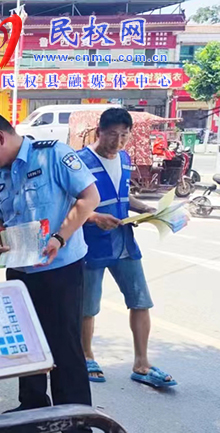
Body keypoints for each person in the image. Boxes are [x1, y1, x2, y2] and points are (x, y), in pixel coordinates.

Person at [0, 111, 100, 431]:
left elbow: (89, 197)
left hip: (60, 267)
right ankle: (33, 406)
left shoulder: (53, 153)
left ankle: (75, 417)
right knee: (25, 341)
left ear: (0, 137)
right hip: (20, 268)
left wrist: (59, 237)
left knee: (63, 344)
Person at [77, 108, 176, 388]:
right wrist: (95, 217)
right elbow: (70, 203)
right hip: (92, 244)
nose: (118, 142)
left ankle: (142, 363)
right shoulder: (79, 161)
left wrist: (143, 208)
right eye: (112, 135)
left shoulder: (124, 158)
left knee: (140, 301)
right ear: (99, 132)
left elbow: (122, 193)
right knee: (88, 307)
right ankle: (86, 356)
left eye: (124, 135)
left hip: (124, 242)